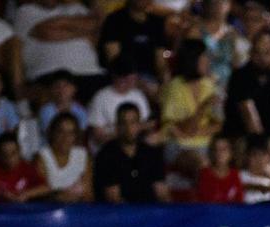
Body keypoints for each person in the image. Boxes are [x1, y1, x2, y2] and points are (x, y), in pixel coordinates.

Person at [15, 0, 104, 101]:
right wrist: (81, 31)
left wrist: (59, 26)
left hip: (91, 74)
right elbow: (47, 31)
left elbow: (94, 24)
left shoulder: (76, 8)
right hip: (48, 75)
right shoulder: (26, 11)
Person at [159, 39, 222, 173]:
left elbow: (219, 124)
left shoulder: (208, 85)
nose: (208, 61)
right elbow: (184, 129)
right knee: (201, 164)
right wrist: (203, 107)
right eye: (204, 57)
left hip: (206, 143)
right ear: (192, 60)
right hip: (180, 147)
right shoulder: (175, 88)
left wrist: (198, 132)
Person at [94, 102, 169, 203]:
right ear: (117, 126)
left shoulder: (152, 153)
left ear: (139, 125)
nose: (128, 128)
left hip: (150, 213)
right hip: (120, 214)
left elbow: (162, 192)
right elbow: (113, 198)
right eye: (123, 123)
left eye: (133, 122)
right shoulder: (106, 155)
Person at [99, 0, 167, 89]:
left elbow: (160, 61)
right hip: (123, 79)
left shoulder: (157, 22)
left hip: (151, 79)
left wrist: (165, 84)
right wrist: (142, 86)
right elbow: (114, 60)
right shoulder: (114, 20)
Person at [87, 55, 153, 147]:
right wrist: (125, 133)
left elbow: (147, 124)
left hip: (135, 144)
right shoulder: (101, 98)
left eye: (134, 78)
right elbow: (97, 135)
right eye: (130, 79)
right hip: (110, 146)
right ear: (118, 78)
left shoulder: (138, 95)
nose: (134, 82)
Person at [36, 112, 93, 202]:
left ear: (75, 135)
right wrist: (59, 197)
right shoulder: (42, 157)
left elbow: (89, 194)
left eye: (70, 133)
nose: (65, 137)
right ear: (53, 133)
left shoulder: (83, 155)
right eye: (60, 131)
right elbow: (40, 193)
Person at [0, 132, 52, 202]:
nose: (9, 158)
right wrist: (0, 193)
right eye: (5, 154)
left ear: (19, 151)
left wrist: (26, 195)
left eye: (13, 153)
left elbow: (46, 188)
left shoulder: (27, 169)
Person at [196, 135, 244, 203]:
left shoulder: (235, 174)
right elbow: (202, 202)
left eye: (224, 149)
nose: (220, 153)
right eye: (216, 149)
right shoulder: (204, 173)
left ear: (231, 153)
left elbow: (239, 201)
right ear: (212, 152)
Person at [38, 70, 89, 134]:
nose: (62, 90)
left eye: (66, 86)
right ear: (51, 89)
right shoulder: (46, 110)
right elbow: (49, 133)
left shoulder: (81, 111)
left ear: (74, 89)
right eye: (57, 86)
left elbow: (81, 133)